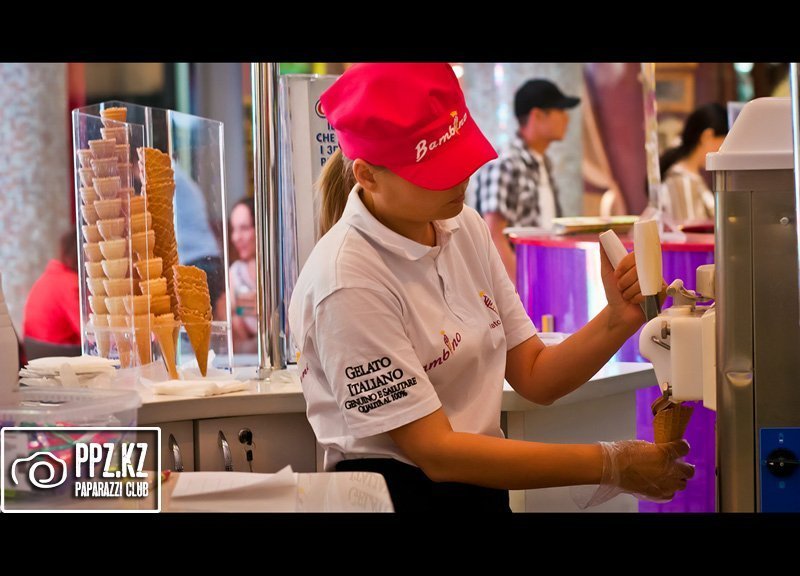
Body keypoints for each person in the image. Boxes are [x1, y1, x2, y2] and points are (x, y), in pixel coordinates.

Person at [288, 63, 693, 513]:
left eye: (461, 157)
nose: (463, 178)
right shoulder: (347, 280)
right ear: (367, 176)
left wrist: (618, 318)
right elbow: (438, 453)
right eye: (437, 169)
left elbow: (535, 374)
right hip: (397, 498)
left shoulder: (463, 226)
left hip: (480, 492)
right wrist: (611, 464)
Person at [473, 78, 580, 284]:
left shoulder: (542, 162)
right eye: (560, 110)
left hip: (541, 280)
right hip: (516, 288)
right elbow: (493, 234)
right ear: (537, 115)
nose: (566, 118)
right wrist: (521, 289)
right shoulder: (505, 164)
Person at [659, 103, 729, 226]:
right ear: (707, 136)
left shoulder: (688, 176)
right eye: (723, 143)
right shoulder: (683, 181)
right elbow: (690, 231)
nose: (723, 150)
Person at [23, 228, 81, 346]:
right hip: (61, 352)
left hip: (34, 352)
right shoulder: (70, 283)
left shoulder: (48, 277)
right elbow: (87, 332)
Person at [216, 197, 259, 354]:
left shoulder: (276, 272)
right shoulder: (235, 272)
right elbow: (224, 320)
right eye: (234, 229)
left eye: (244, 228)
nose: (236, 237)